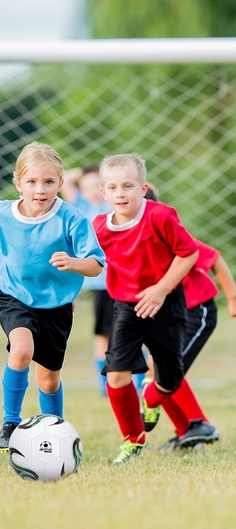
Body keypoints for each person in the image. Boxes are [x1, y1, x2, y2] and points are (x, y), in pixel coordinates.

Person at [0, 141, 105, 453]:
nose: (40, 190)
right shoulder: (3, 213)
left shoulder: (73, 219)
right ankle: (10, 420)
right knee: (22, 348)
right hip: (12, 293)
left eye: (49, 182)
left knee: (49, 380)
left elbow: (95, 265)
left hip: (56, 304)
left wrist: (74, 263)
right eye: (32, 182)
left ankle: (56, 432)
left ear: (61, 183)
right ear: (18, 183)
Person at [92, 153, 199, 464]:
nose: (120, 193)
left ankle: (151, 398)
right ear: (103, 193)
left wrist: (161, 289)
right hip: (126, 307)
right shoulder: (99, 226)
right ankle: (133, 440)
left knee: (170, 378)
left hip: (166, 305)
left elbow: (188, 253)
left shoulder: (161, 216)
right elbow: (90, 261)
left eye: (127, 186)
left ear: (142, 188)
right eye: (112, 187)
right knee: (116, 374)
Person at [142, 187, 236, 451]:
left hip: (198, 311)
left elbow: (215, 258)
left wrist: (232, 298)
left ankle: (197, 423)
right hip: (169, 315)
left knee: (165, 370)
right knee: (157, 369)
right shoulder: (130, 242)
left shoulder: (170, 234)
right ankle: (189, 431)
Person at [61, 166, 116, 395]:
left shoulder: (113, 204)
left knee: (132, 332)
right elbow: (65, 180)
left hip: (125, 281)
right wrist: (84, 172)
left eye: (97, 186)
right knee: (104, 334)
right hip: (101, 283)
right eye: (87, 187)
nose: (92, 191)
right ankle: (105, 384)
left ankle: (139, 380)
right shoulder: (80, 207)